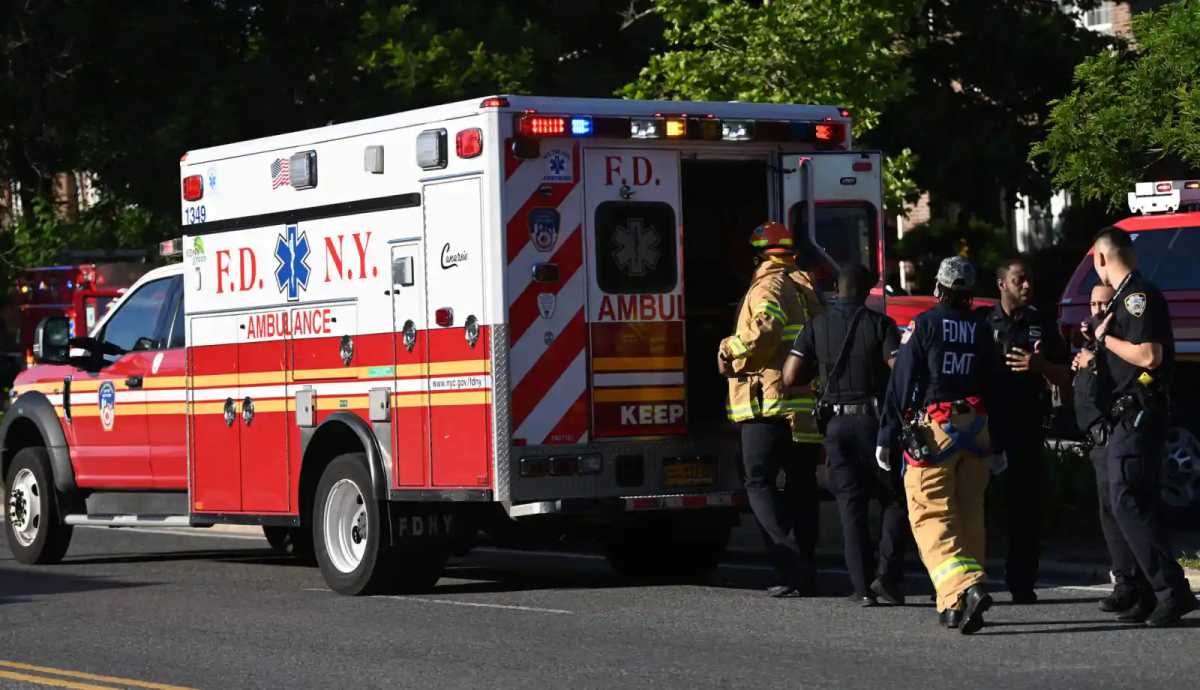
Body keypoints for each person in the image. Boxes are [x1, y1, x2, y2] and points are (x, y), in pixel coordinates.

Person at [1071, 228, 1197, 626]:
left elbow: (1149, 354)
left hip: (1140, 412)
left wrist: (1105, 339)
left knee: (1127, 501)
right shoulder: (1124, 299)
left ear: (1102, 259)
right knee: (1126, 503)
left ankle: (1171, 591)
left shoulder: (1138, 297)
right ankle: (1143, 591)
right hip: (1121, 416)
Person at [876, 256, 1005, 635]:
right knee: (969, 516)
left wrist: (886, 435)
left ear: (939, 288)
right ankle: (955, 605)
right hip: (977, 430)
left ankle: (966, 585)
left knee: (930, 515)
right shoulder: (982, 330)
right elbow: (995, 386)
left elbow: (901, 381)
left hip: (937, 431)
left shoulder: (926, 324)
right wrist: (998, 442)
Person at [782, 263, 909, 606]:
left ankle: (862, 588)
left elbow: (790, 376)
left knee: (850, 505)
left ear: (836, 289)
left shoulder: (815, 326)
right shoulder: (881, 325)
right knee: (895, 498)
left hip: (835, 426)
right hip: (873, 422)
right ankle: (887, 576)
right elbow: (899, 369)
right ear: (868, 290)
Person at [718, 221, 821, 597]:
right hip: (802, 407)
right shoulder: (804, 284)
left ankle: (790, 564)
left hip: (769, 404)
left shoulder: (769, 284)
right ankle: (806, 567)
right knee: (801, 488)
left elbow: (765, 329)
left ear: (758, 253)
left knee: (757, 480)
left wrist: (730, 350)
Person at [984, 258, 1070, 604]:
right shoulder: (982, 324)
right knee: (977, 504)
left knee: (1025, 507)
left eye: (1030, 280)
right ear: (1002, 284)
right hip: (987, 426)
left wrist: (1040, 365)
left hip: (1027, 424)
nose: (1027, 286)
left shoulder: (1041, 323)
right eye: (1019, 280)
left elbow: (1066, 373)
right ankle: (971, 582)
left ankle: (1022, 581)